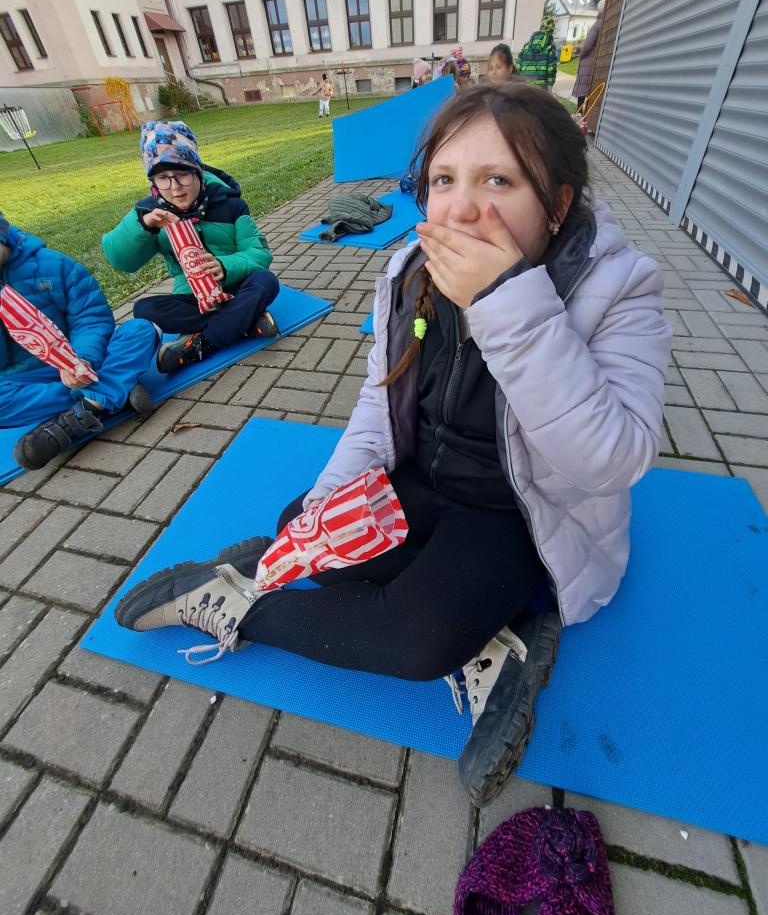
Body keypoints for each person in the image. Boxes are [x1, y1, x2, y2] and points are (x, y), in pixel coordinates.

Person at [114, 84, 671, 805]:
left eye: (499, 181)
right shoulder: (409, 271)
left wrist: (507, 302)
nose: (461, 209)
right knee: (300, 523)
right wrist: (325, 506)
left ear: (558, 204)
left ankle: (235, 604)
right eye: (444, 180)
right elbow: (379, 408)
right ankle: (493, 638)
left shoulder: (618, 288)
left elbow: (614, 459)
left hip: (521, 516)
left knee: (419, 640)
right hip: (423, 480)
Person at [102, 121, 279, 375]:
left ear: (197, 169)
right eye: (163, 178)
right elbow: (121, 260)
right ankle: (246, 322)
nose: (174, 188)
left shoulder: (231, 203)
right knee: (143, 309)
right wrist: (143, 227)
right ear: (153, 180)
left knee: (266, 281)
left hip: (236, 287)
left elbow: (260, 254)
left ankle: (202, 344)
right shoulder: (151, 213)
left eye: (182, 174)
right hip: (193, 300)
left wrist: (225, 266)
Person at [1, 210, 160, 470]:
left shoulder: (53, 265)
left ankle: (84, 412)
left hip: (83, 359)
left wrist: (82, 360)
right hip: (26, 377)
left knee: (142, 330)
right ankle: (111, 390)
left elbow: (91, 318)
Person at [573, 0, 605, 111]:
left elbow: (588, 44)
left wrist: (581, 53)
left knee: (582, 93)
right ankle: (582, 115)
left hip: (588, 64)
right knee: (589, 93)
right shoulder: (604, 24)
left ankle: (579, 115)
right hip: (595, 63)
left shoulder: (597, 24)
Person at [516, 16, 558, 90]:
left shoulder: (527, 46)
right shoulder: (550, 46)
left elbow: (518, 65)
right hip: (541, 87)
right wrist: (550, 87)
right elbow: (551, 69)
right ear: (552, 29)